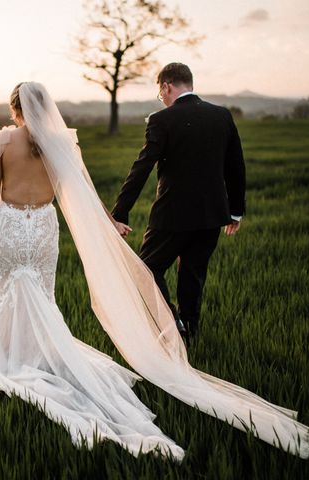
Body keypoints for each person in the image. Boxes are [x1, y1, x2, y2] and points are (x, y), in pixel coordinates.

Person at [0, 81, 309, 460]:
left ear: (14, 107)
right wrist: (109, 221)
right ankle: (41, 353)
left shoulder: (1, 141)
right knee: (43, 297)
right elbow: (81, 189)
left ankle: (10, 355)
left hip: (10, 227)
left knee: (6, 293)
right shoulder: (60, 142)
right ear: (46, 106)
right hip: (44, 230)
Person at [111, 62, 246, 346]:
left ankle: (173, 326)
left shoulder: (162, 120)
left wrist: (120, 212)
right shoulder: (221, 116)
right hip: (212, 214)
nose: (161, 98)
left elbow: (142, 167)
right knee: (193, 275)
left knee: (146, 269)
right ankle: (189, 332)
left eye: (159, 92)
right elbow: (235, 166)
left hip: (171, 216)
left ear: (166, 86)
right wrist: (235, 211)